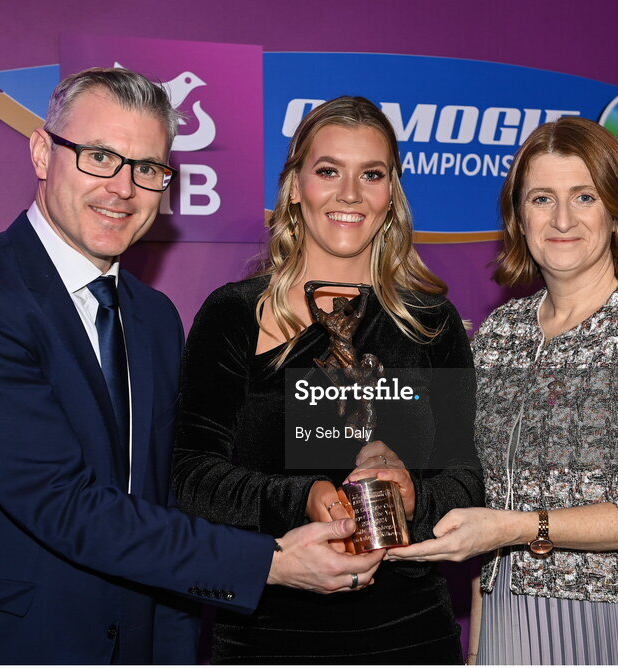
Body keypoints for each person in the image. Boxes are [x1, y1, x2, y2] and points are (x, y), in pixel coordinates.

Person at [0, 68, 384, 665]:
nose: (123, 188)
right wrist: (270, 562)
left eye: (147, 168)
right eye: (99, 157)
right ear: (42, 152)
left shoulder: (154, 317)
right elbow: (62, 502)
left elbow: (159, 500)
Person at [388, 116, 618, 664]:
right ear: (518, 217)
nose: (563, 218)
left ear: (616, 210)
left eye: (584, 197)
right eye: (542, 198)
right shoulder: (502, 335)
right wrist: (479, 648)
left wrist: (518, 527)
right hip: (515, 619)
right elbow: (488, 508)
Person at [171, 96, 484, 663]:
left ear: (391, 195)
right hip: (265, 635)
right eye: (328, 171)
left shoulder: (432, 323)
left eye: (372, 174)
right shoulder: (235, 315)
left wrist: (414, 495)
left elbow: (467, 482)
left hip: (411, 634)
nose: (349, 194)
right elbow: (190, 476)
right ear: (295, 187)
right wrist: (303, 499)